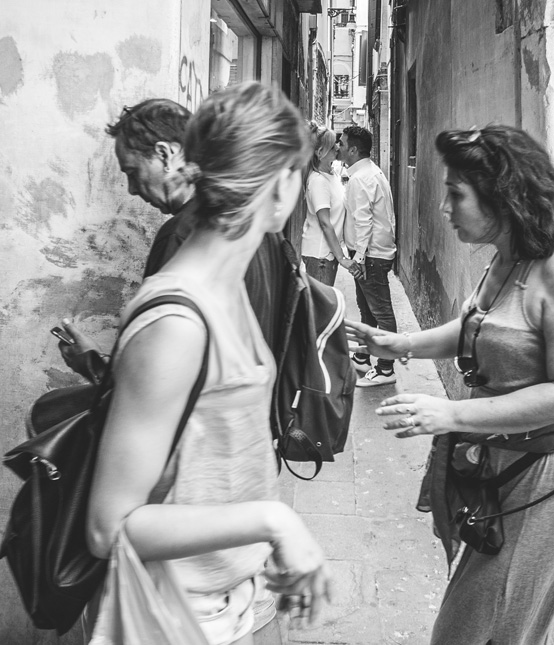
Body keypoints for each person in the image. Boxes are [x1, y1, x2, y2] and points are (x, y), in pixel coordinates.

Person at [85, 82, 333, 645]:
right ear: (280, 185)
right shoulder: (176, 322)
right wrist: (274, 522)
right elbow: (110, 527)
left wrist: (263, 551)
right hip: (175, 613)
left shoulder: (230, 284)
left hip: (236, 596)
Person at [344, 125, 554, 645]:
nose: (444, 208)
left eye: (456, 194)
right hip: (503, 466)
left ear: (502, 196)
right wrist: (400, 345)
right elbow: (475, 329)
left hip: (547, 476)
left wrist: (452, 416)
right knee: (528, 625)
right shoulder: (507, 256)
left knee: (473, 629)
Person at [60, 100, 292, 387]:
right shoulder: (260, 224)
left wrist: (92, 363)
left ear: (165, 154)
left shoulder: (182, 236)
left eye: (132, 172)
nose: (132, 189)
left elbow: (153, 380)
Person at [338, 125, 399, 387]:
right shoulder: (369, 172)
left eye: (341, 143)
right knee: (367, 309)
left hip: (370, 255)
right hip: (372, 253)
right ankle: (363, 357)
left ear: (352, 149)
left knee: (381, 312)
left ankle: (386, 369)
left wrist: (359, 260)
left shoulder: (361, 178)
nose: (338, 147)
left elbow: (364, 223)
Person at [301, 123, 360, 286]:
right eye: (332, 144)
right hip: (320, 256)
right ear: (320, 153)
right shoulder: (318, 181)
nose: (337, 147)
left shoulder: (332, 175)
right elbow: (325, 223)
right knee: (321, 310)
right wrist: (342, 258)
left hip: (327, 255)